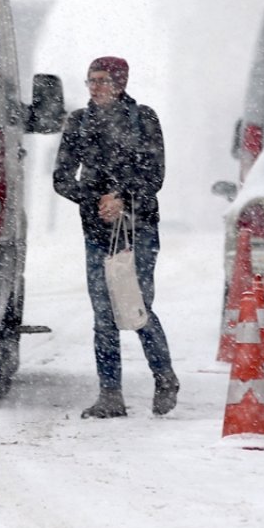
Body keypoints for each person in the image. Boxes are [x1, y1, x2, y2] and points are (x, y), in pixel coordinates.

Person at [53, 56, 179, 418]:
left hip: (139, 228)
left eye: (104, 79)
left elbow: (155, 175)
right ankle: (110, 394)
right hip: (96, 231)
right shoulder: (78, 122)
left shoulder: (143, 119)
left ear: (121, 82)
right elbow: (62, 178)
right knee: (103, 314)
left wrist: (122, 196)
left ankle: (164, 375)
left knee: (136, 306)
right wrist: (95, 200)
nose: (96, 86)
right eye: (91, 79)